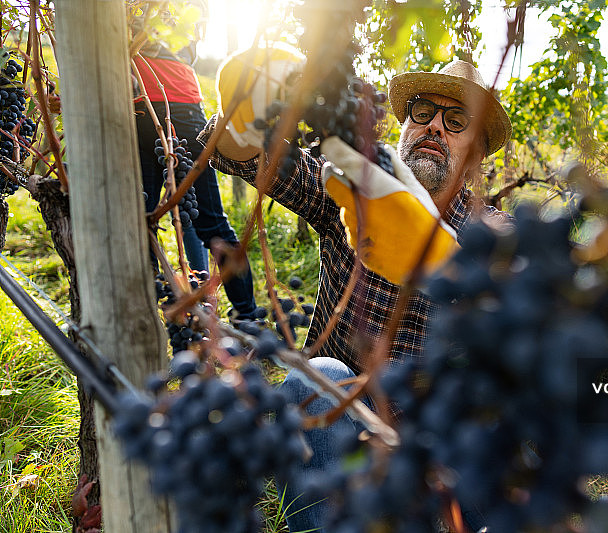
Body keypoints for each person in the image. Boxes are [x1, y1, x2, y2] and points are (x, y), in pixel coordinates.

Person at [200, 58, 512, 531]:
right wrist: (242, 120)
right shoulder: (354, 187)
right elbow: (240, 154)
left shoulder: (492, 237)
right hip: (341, 420)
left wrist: (448, 266)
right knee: (315, 375)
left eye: (455, 121)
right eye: (423, 111)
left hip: (432, 438)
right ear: (404, 125)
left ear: (475, 154)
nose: (433, 127)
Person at [131, 8, 265, 324]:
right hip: (135, 108)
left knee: (209, 221)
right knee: (142, 220)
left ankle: (247, 316)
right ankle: (154, 312)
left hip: (176, 104)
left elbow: (186, 48)